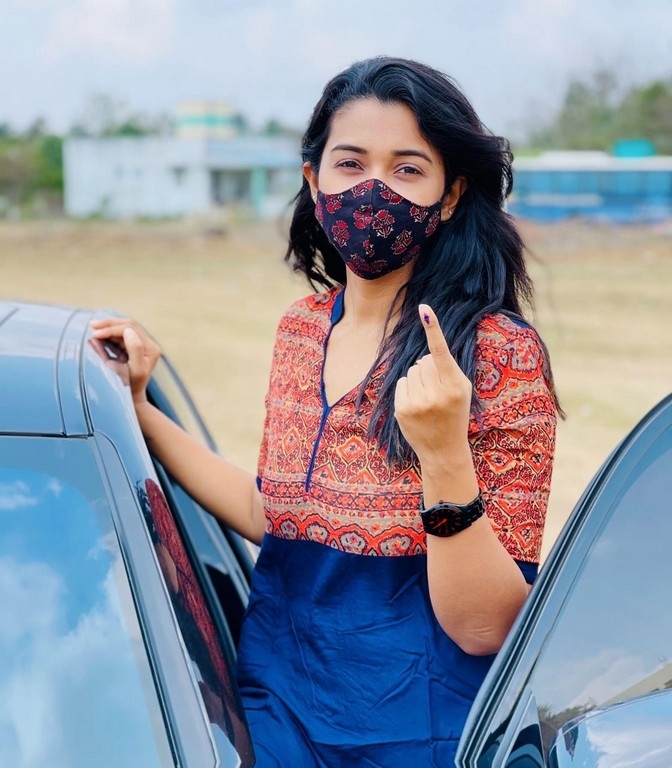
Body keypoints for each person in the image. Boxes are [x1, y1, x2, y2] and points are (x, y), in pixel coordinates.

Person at [91, 56, 559, 767]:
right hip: (277, 717)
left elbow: (486, 627)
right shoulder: (301, 330)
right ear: (314, 182)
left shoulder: (498, 356)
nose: (373, 189)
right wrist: (138, 409)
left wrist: (441, 453)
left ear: (452, 193)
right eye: (350, 163)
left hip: (420, 736)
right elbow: (270, 511)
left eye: (407, 169)